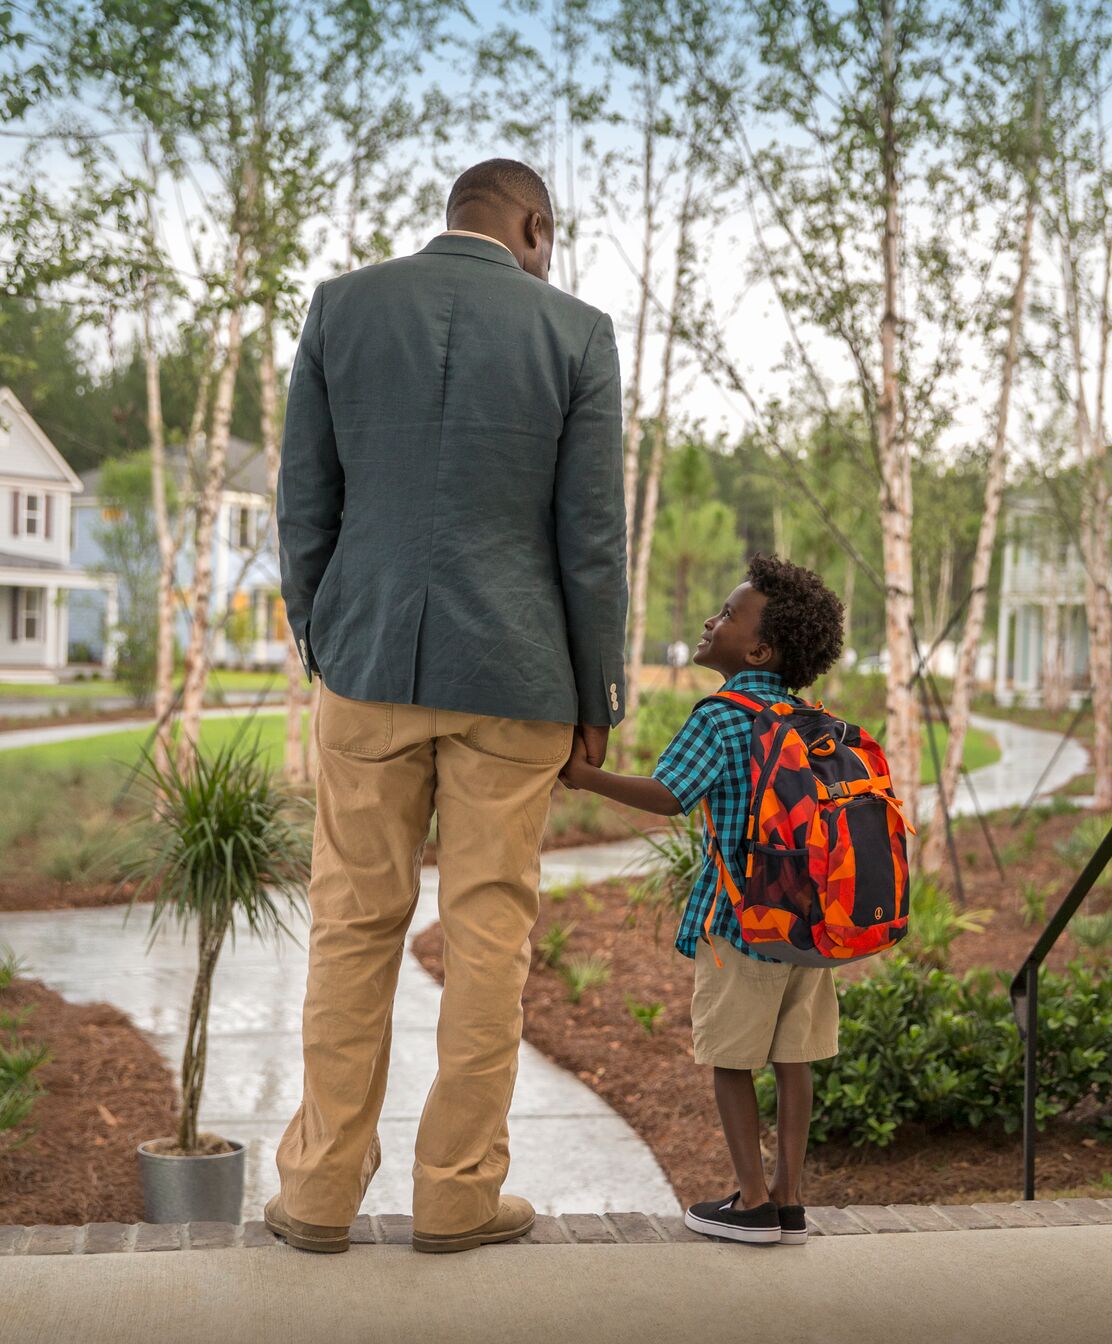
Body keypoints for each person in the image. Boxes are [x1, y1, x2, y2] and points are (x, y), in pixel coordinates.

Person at [266, 159, 626, 1255]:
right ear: (531, 223)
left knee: (352, 925)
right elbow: (592, 537)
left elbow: (303, 500)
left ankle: (320, 1190)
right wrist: (596, 688)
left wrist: (322, 636)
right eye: (548, 237)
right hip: (516, 681)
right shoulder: (577, 332)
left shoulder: (341, 305)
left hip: (365, 664)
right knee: (487, 938)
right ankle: (458, 1192)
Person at [560, 554, 847, 1246]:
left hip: (739, 924)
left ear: (757, 649)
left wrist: (584, 777)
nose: (710, 619)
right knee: (793, 1060)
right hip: (810, 926)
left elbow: (670, 795)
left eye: (727, 613)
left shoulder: (722, 715)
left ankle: (750, 1203)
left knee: (730, 1060)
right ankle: (790, 1198)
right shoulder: (811, 718)